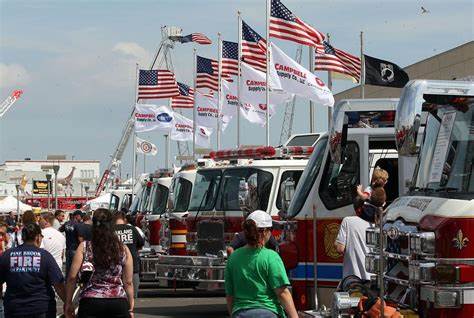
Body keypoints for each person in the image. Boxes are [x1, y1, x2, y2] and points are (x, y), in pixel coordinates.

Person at [225, 210, 298, 318]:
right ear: (265, 232)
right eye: (271, 229)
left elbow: (230, 296)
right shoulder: (271, 257)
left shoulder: (233, 258)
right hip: (268, 312)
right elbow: (282, 293)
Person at [64, 208, 134, 318]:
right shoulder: (123, 249)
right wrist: (130, 303)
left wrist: (68, 302)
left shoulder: (85, 247)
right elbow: (128, 282)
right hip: (117, 301)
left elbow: (72, 277)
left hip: (90, 302)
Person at [0, 223, 66, 318]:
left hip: (14, 308)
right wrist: (67, 303)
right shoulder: (45, 256)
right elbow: (58, 284)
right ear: (38, 237)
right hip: (41, 308)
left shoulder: (7, 255)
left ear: (23, 238)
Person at [335, 188, 387, 281]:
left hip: (353, 280)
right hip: (376, 281)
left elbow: (340, 249)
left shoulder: (348, 221)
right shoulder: (383, 226)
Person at [115, 211, 145, 298]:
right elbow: (141, 244)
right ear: (124, 219)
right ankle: (131, 306)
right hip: (132, 263)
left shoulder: (110, 230)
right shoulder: (132, 229)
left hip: (115, 265)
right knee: (132, 295)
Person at [60, 210, 83, 276]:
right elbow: (80, 238)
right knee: (76, 269)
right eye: (80, 216)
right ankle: (74, 284)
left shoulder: (66, 223)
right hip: (76, 249)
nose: (81, 218)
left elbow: (60, 230)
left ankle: (67, 283)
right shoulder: (78, 225)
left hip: (68, 248)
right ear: (77, 216)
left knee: (68, 268)